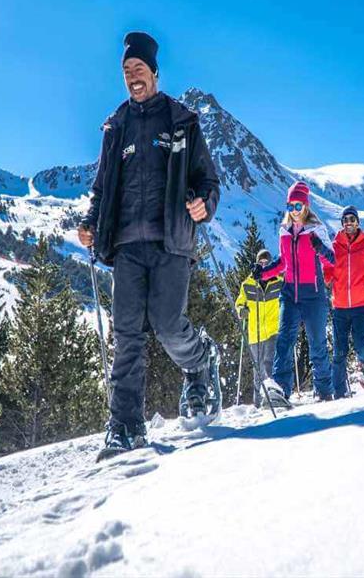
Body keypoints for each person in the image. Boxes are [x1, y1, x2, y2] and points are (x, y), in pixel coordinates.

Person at [77, 31, 220, 452]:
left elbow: (207, 180)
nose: (133, 77)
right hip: (125, 247)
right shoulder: (115, 126)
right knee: (127, 336)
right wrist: (89, 223)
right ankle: (126, 426)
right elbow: (101, 189)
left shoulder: (181, 121)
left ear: (154, 72)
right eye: (126, 71)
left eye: (139, 69)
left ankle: (199, 364)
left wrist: (203, 206)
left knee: (167, 324)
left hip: (170, 242)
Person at [255, 181, 336, 401]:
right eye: (289, 206)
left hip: (314, 294)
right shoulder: (284, 231)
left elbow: (332, 261)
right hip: (289, 293)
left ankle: (325, 391)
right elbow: (283, 262)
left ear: (306, 206)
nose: (293, 211)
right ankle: (282, 390)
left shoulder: (316, 230)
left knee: (317, 343)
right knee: (284, 342)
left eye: (297, 206)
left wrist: (320, 249)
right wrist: (262, 273)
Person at [325, 205, 364, 398]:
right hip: (340, 307)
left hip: (361, 304)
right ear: (342, 223)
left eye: (352, 219)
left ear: (357, 222)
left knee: (361, 345)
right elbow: (328, 273)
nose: (349, 223)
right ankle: (339, 392)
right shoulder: (335, 246)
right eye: (345, 220)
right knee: (339, 351)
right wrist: (323, 275)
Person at [234, 249, 287, 407]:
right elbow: (239, 303)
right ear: (257, 263)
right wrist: (241, 310)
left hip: (273, 329)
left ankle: (272, 397)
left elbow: (287, 297)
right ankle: (258, 402)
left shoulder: (278, 281)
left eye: (267, 263)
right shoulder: (248, 284)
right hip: (254, 332)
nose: (264, 265)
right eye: (261, 263)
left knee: (268, 363)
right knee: (257, 368)